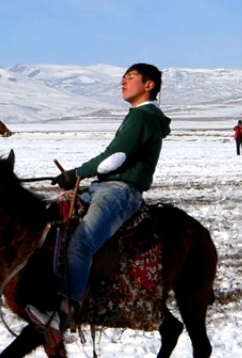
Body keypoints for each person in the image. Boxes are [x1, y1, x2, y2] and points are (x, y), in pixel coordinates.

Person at [26, 63, 169, 333]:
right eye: (123, 77)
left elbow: (115, 158)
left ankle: (66, 311)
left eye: (131, 77)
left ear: (149, 85)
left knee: (82, 241)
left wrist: (77, 173)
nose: (123, 82)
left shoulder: (143, 117)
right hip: (102, 187)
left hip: (120, 191)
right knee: (52, 219)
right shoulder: (137, 116)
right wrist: (76, 177)